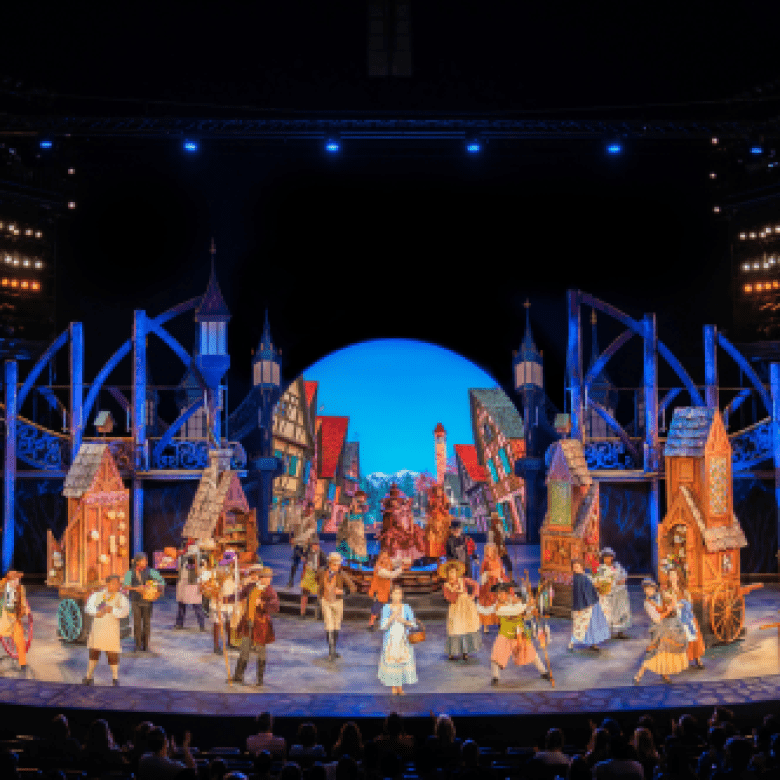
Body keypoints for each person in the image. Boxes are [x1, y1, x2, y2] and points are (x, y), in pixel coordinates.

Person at [489, 581, 550, 685]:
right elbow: (513, 611)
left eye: (501, 593)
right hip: (505, 634)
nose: (499, 596)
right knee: (496, 655)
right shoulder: (498, 606)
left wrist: (532, 608)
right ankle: (495, 677)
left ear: (507, 594)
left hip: (520, 634)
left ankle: (543, 672)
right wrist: (526, 605)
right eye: (498, 594)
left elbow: (525, 615)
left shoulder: (516, 602)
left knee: (532, 653)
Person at [634, 578, 689, 683]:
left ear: (654, 588)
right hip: (659, 628)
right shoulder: (647, 603)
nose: (648, 591)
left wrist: (673, 604)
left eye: (650, 588)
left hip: (669, 626)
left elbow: (673, 604)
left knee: (667, 652)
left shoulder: (661, 596)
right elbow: (656, 619)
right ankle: (638, 675)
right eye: (645, 589)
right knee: (654, 652)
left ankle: (665, 674)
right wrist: (668, 611)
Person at [233, 566, 280, 686]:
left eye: (270, 578)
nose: (269, 580)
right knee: (244, 650)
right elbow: (239, 596)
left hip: (261, 625)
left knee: (261, 651)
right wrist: (222, 599)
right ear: (261, 578)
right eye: (267, 577)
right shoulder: (251, 587)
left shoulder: (270, 591)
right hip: (248, 622)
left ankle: (260, 679)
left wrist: (262, 603)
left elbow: (275, 607)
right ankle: (238, 676)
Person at [82, 573, 131, 686]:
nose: (117, 586)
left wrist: (113, 610)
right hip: (98, 628)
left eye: (118, 584)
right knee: (94, 651)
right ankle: (89, 677)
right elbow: (88, 607)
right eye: (114, 583)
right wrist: (96, 612)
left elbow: (125, 611)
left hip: (111, 630)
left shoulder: (121, 597)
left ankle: (115, 678)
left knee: (112, 653)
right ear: (107, 584)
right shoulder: (97, 595)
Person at [378, 585, 419, 695]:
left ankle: (400, 687)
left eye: (399, 593)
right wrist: (392, 617)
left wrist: (404, 621)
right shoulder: (386, 608)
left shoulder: (406, 607)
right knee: (392, 663)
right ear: (391, 595)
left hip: (403, 639)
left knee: (401, 663)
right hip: (391, 639)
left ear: (402, 595)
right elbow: (383, 626)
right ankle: (393, 686)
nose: (397, 596)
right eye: (395, 593)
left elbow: (413, 624)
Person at [316, 552, 357, 661]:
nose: (337, 566)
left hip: (338, 602)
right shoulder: (322, 572)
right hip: (326, 601)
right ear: (330, 564)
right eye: (335, 564)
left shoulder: (342, 574)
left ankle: (333, 649)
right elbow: (317, 580)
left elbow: (353, 588)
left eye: (339, 564)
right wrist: (320, 595)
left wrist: (343, 591)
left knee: (336, 625)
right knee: (329, 625)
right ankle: (331, 652)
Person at [123, 553, 165, 652]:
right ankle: (138, 645)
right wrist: (136, 588)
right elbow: (125, 586)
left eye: (145, 560)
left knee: (146, 623)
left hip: (147, 601)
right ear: (137, 561)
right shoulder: (130, 573)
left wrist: (158, 591)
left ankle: (146, 645)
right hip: (136, 601)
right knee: (137, 624)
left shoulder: (151, 571)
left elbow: (161, 581)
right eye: (142, 560)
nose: (145, 562)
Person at [440, 560, 481, 661]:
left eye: (454, 572)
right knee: (454, 629)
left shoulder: (463, 580)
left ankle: (465, 651)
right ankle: (452, 651)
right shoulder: (446, 585)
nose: (452, 575)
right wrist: (454, 590)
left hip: (466, 607)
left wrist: (473, 595)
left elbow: (476, 584)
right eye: (450, 572)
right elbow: (450, 599)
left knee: (466, 628)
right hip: (455, 608)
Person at [199, 549, 238, 654]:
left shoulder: (234, 571)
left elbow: (234, 584)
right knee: (217, 624)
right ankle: (216, 646)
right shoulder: (217, 570)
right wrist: (213, 590)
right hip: (219, 601)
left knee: (229, 623)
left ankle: (230, 642)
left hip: (229, 600)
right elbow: (206, 581)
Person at [667, 565, 706, 670]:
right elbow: (669, 606)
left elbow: (690, 602)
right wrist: (676, 606)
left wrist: (683, 605)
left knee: (694, 635)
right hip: (676, 617)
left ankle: (698, 658)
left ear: (678, 577)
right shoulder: (668, 591)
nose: (672, 577)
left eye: (674, 575)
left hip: (686, 615)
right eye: (670, 575)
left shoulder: (683, 590)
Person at [568, 558, 610, 652]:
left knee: (592, 624)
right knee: (581, 624)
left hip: (591, 603)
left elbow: (589, 588)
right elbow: (583, 592)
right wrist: (589, 602)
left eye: (578, 567)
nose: (576, 569)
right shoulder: (578, 578)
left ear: (582, 566)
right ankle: (573, 643)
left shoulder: (583, 576)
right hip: (586, 604)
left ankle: (593, 643)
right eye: (574, 567)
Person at [595, 547, 632, 639]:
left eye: (609, 557)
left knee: (621, 611)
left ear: (612, 557)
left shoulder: (617, 566)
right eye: (605, 557)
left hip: (620, 592)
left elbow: (624, 574)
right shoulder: (601, 569)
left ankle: (620, 632)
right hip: (608, 593)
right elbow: (599, 580)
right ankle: (605, 632)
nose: (607, 559)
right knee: (608, 613)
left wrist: (623, 579)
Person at [0, 569, 29, 672]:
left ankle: (22, 663)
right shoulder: (4, 587)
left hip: (15, 617)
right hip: (4, 617)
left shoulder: (20, 589)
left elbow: (23, 601)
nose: (16, 582)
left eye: (17, 580)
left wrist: (25, 609)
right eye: (14, 580)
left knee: (20, 638)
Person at [367, 550, 404, 631]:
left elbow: (396, 561)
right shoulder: (378, 568)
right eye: (383, 558)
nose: (386, 559)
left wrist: (404, 561)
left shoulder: (388, 562)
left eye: (387, 557)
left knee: (391, 606)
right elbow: (390, 575)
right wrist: (401, 569)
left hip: (387, 590)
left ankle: (391, 623)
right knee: (376, 607)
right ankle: (371, 624)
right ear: (379, 558)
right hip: (379, 591)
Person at [477, 542, 508, 634]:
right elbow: (482, 573)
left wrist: (501, 574)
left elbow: (502, 570)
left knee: (499, 602)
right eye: (487, 550)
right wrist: (489, 573)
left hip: (497, 582)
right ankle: (486, 626)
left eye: (490, 550)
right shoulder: (485, 560)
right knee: (487, 604)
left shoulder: (498, 559)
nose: (488, 552)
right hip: (489, 583)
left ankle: (500, 623)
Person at [174, 544, 206, 631]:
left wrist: (196, 563)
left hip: (194, 585)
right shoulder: (182, 559)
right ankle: (179, 624)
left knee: (197, 606)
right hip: (183, 584)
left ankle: (202, 625)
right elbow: (178, 569)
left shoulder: (201, 561)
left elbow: (199, 573)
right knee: (181, 605)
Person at [288, 503, 317, 588]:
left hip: (306, 546)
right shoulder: (299, 517)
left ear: (313, 511)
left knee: (307, 565)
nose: (309, 512)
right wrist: (291, 537)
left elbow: (306, 535)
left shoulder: (313, 522)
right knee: (294, 563)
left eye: (311, 511)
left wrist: (295, 540)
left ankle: (305, 583)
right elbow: (292, 529)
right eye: (308, 510)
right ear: (305, 509)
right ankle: (290, 581)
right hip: (297, 545)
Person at [299, 537, 326, 618]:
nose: (316, 546)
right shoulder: (307, 552)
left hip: (316, 575)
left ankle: (319, 613)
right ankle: (302, 613)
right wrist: (304, 560)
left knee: (320, 593)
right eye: (314, 545)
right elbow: (301, 556)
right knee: (304, 593)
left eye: (317, 545)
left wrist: (320, 570)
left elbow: (325, 564)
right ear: (311, 545)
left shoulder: (321, 553)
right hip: (308, 575)